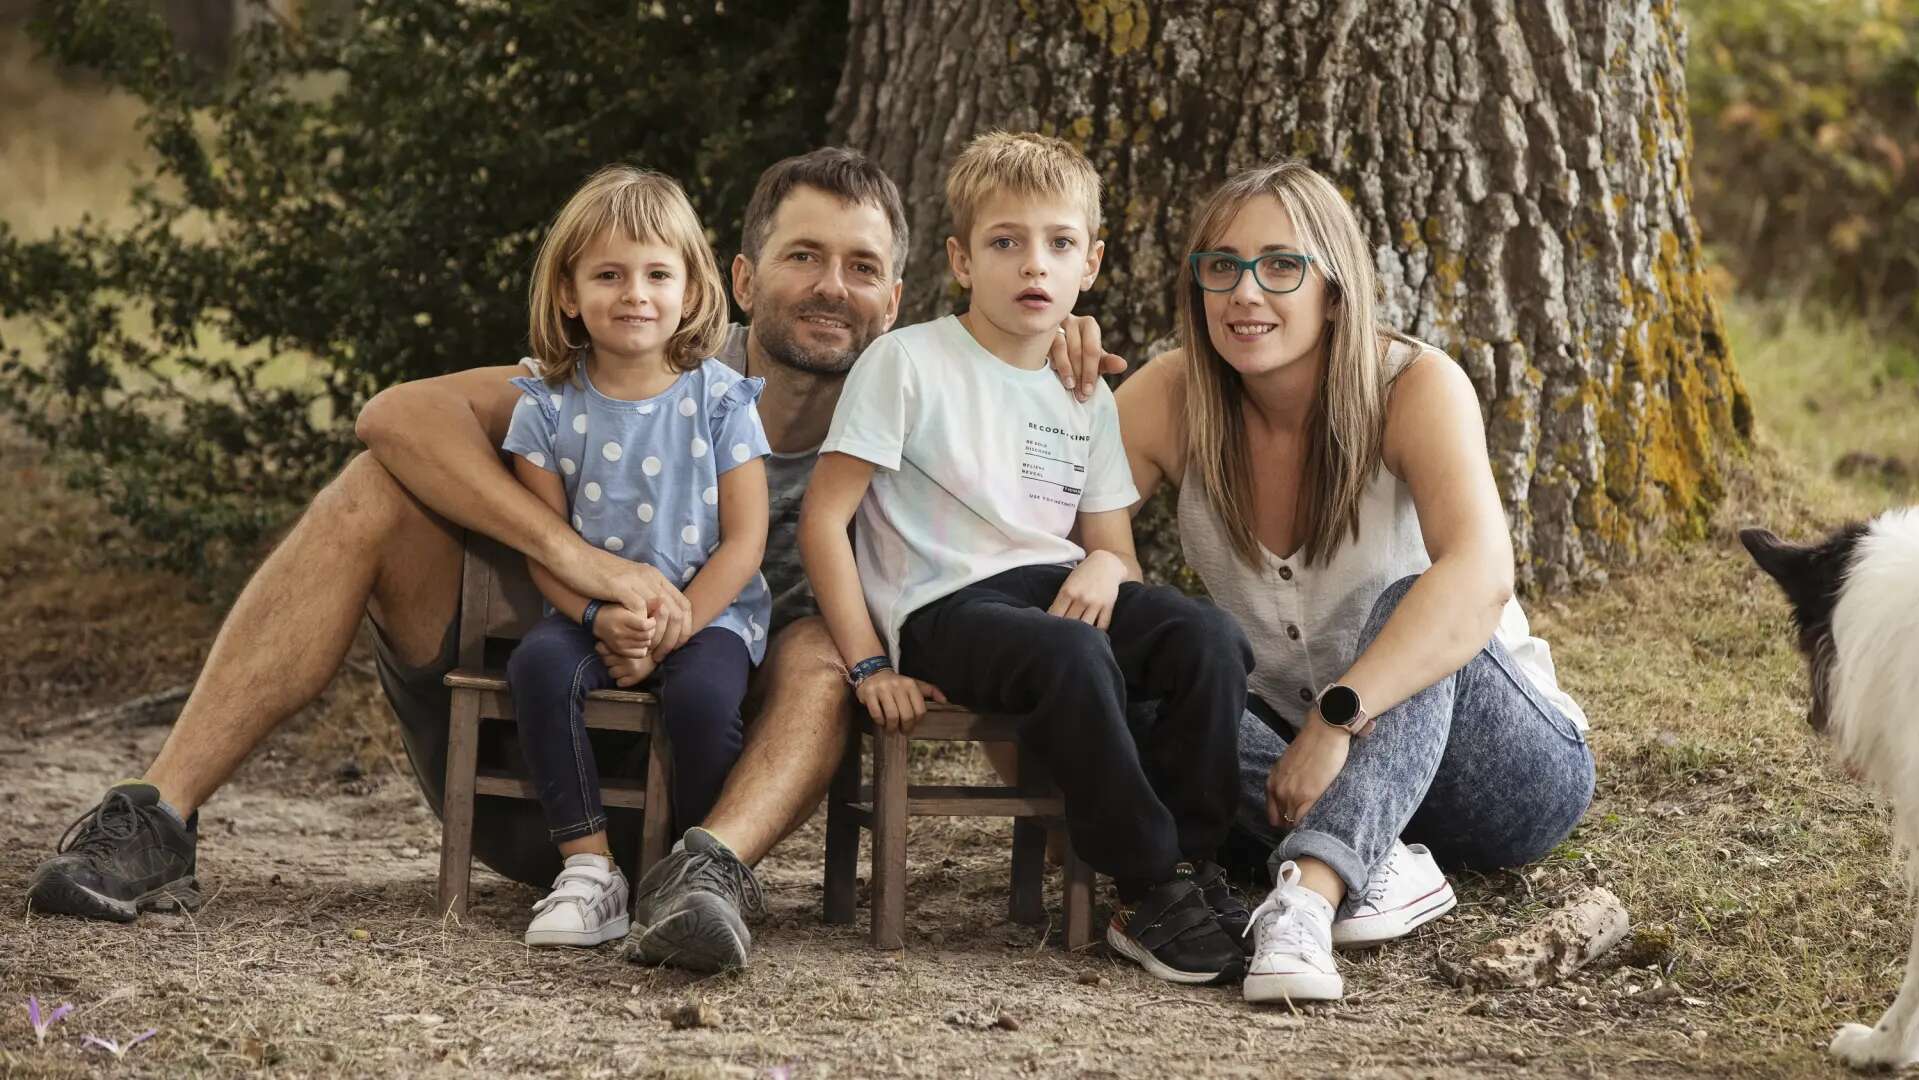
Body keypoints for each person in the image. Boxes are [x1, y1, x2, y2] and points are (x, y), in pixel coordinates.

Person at [25, 147, 1122, 972]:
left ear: (897, 298)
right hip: (538, 740)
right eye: (801, 257)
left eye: (860, 267)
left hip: (705, 783)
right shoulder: (648, 363)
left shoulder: (927, 406)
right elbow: (393, 415)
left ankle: (707, 874)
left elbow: (1088, 481)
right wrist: (576, 560)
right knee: (369, 491)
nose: (830, 286)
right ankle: (157, 815)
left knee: (821, 643)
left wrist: (1053, 345)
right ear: (738, 278)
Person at [1110, 159, 1596, 1004]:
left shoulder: (1414, 384)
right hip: (1289, 767)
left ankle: (1309, 897)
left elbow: (1480, 577)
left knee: (1415, 598)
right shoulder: (1167, 397)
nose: (1245, 293)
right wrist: (1055, 378)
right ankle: (1382, 856)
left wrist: (1339, 720)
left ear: (1334, 289)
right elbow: (1083, 561)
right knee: (1141, 671)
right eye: (1220, 266)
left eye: (1281, 266)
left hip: (1499, 775)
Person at [799, 131, 1254, 986]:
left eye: (1059, 243)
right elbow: (825, 521)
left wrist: (1102, 569)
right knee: (1073, 651)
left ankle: (1195, 869)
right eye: (1005, 242)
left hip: (1053, 595)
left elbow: (1113, 548)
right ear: (961, 260)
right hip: (944, 609)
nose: (1032, 265)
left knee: (1209, 639)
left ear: (1091, 263)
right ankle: (1146, 885)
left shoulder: (1084, 390)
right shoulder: (906, 362)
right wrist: (867, 663)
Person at [498, 166, 771, 948]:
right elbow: (541, 543)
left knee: (704, 703)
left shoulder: (720, 399)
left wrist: (679, 624)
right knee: (539, 669)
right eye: (608, 275)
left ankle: (698, 871)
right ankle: (589, 871)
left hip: (710, 610)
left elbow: (746, 538)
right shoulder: (547, 406)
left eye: (657, 274)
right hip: (587, 614)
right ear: (567, 291)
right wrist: (593, 611)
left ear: (691, 290)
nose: (634, 294)